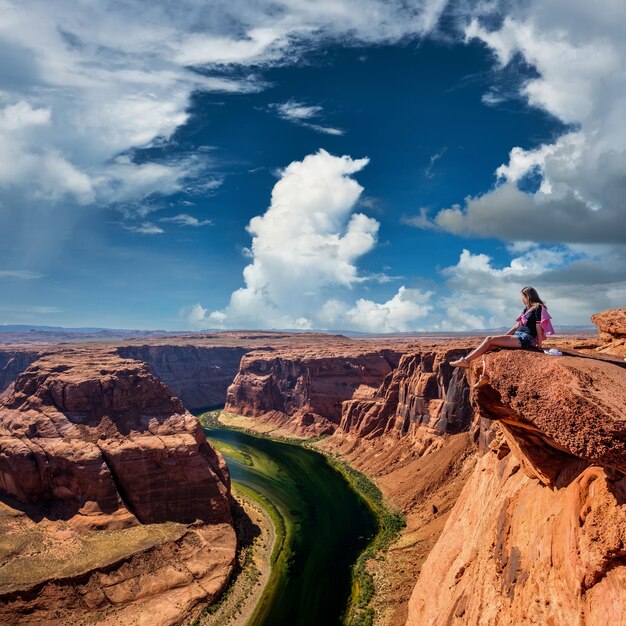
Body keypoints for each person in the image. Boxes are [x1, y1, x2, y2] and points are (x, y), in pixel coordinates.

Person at [450, 287, 554, 368]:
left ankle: (465, 361)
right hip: (518, 335)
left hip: (525, 338)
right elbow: (516, 326)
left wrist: (539, 345)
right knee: (491, 345)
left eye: (522, 296)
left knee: (489, 339)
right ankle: (473, 366)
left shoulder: (538, 307)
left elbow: (538, 326)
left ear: (527, 296)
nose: (521, 299)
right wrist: (503, 337)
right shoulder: (526, 309)